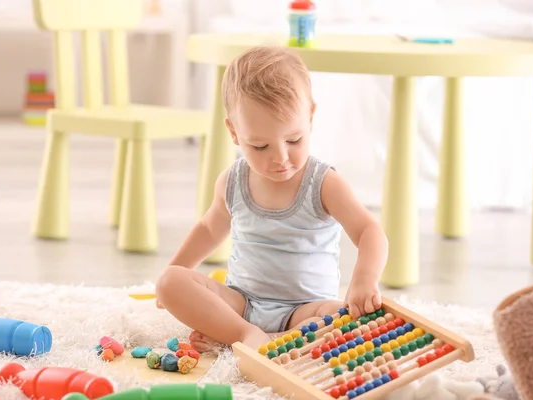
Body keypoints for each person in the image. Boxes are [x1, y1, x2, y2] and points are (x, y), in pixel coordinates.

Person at [155, 45, 389, 353]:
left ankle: (239, 336)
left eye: (293, 140)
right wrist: (179, 268)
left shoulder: (323, 183)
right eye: (260, 146)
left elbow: (369, 231)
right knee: (170, 282)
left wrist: (364, 279)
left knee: (342, 318)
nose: (280, 158)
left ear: (310, 116)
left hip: (306, 309)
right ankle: (245, 333)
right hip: (241, 302)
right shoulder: (232, 181)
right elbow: (210, 229)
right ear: (234, 132)